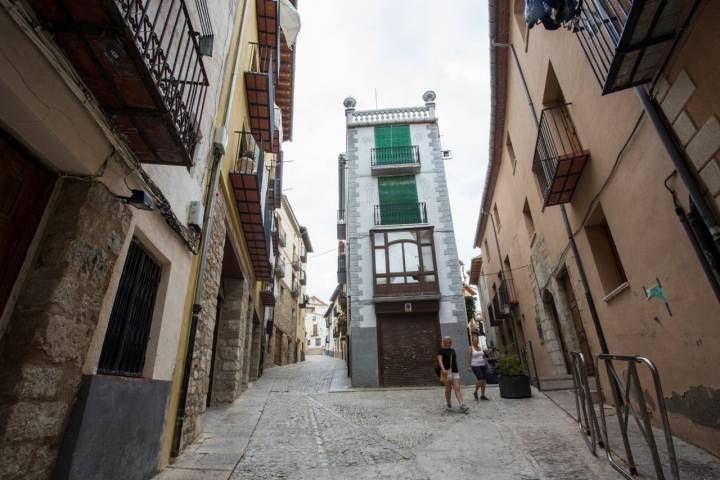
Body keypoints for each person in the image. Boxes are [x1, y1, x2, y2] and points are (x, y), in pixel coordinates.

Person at [437, 336, 469, 413]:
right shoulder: (440, 350)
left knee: (457, 388)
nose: (449, 343)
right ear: (444, 342)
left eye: (450, 341)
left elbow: (454, 360)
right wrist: (443, 369)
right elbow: (440, 360)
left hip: (455, 371)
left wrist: (456, 368)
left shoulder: (452, 350)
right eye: (448, 342)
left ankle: (462, 404)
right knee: (448, 389)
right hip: (446, 372)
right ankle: (448, 403)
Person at [467, 335, 490, 400]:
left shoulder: (480, 348)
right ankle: (475, 391)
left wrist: (487, 364)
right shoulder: (470, 348)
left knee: (484, 380)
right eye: (475, 340)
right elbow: (469, 357)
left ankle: (482, 395)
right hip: (475, 365)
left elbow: (483, 357)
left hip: (483, 365)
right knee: (480, 379)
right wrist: (469, 366)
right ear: (472, 341)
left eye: (477, 341)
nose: (476, 342)